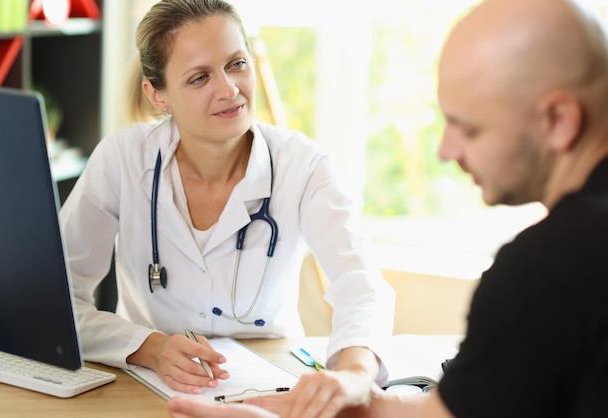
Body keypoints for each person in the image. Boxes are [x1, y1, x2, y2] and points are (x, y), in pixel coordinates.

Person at [166, 0, 608, 417]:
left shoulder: (544, 273)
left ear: (558, 121)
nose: (445, 150)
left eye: (467, 128)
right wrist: (351, 403)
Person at [58, 0, 395, 415]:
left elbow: (361, 285)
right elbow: (57, 300)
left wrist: (355, 375)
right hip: (147, 388)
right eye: (199, 77)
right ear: (157, 94)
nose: (229, 89)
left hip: (273, 387)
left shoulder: (302, 166)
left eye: (236, 63)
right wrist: (148, 347)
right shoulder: (123, 160)